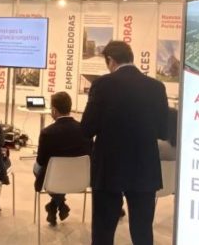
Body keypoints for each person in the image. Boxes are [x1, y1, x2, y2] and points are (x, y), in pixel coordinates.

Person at [81, 40, 168, 245]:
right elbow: (163, 131)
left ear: (110, 60)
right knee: (142, 231)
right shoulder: (156, 87)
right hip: (144, 167)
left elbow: (87, 129)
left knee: (103, 230)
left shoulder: (102, 85)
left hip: (109, 168)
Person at [34, 91, 91, 226]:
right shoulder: (85, 130)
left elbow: (41, 161)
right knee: (62, 171)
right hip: (81, 179)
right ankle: (56, 205)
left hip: (55, 179)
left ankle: (58, 204)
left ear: (54, 110)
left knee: (37, 168)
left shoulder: (47, 132)